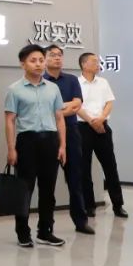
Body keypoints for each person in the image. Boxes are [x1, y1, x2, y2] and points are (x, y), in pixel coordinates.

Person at [5, 44, 67, 248]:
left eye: (41, 60)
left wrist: (62, 145)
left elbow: (59, 118)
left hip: (50, 141)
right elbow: (10, 121)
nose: (38, 64)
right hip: (27, 142)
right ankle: (23, 232)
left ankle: (45, 231)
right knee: (24, 190)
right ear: (23, 64)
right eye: (33, 60)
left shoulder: (53, 88)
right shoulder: (14, 89)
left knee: (48, 190)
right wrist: (11, 148)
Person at [43, 45, 93, 235]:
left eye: (59, 55)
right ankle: (47, 225)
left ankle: (81, 221)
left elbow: (77, 104)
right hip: (48, 133)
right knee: (48, 181)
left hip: (71, 132)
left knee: (75, 179)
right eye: (52, 55)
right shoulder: (41, 81)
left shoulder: (71, 80)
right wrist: (64, 108)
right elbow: (44, 108)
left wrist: (56, 110)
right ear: (45, 59)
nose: (57, 58)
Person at [76, 52, 127, 218]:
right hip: (82, 127)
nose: (98, 64)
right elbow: (77, 106)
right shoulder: (76, 83)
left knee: (110, 166)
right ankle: (89, 206)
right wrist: (92, 121)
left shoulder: (103, 82)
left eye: (98, 61)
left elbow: (109, 102)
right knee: (84, 168)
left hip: (102, 127)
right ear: (84, 64)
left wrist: (101, 119)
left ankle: (118, 205)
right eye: (94, 61)